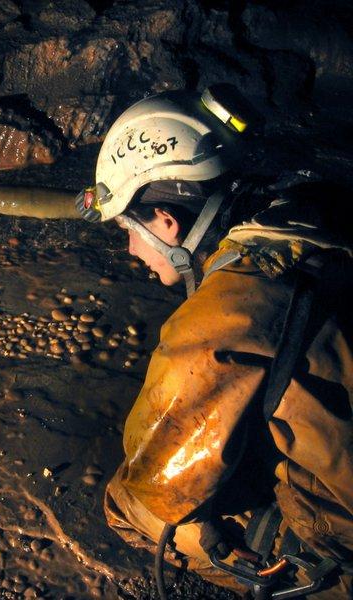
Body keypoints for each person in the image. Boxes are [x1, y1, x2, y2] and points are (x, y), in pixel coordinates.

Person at [76, 86, 353, 598]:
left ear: (166, 222)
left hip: (346, 537)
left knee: (127, 504)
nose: (131, 248)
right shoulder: (312, 214)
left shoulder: (220, 318)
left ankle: (304, 580)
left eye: (128, 229)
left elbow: (156, 484)